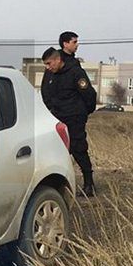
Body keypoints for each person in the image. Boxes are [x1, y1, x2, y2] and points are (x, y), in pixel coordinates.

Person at [41, 32, 97, 196]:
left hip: (74, 118)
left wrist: (83, 112)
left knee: (78, 148)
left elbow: (88, 94)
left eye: (49, 63)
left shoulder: (75, 71)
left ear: (58, 60)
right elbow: (45, 92)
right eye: (46, 64)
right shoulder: (50, 73)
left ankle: (89, 183)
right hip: (56, 118)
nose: (48, 67)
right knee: (57, 150)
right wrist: (51, 110)